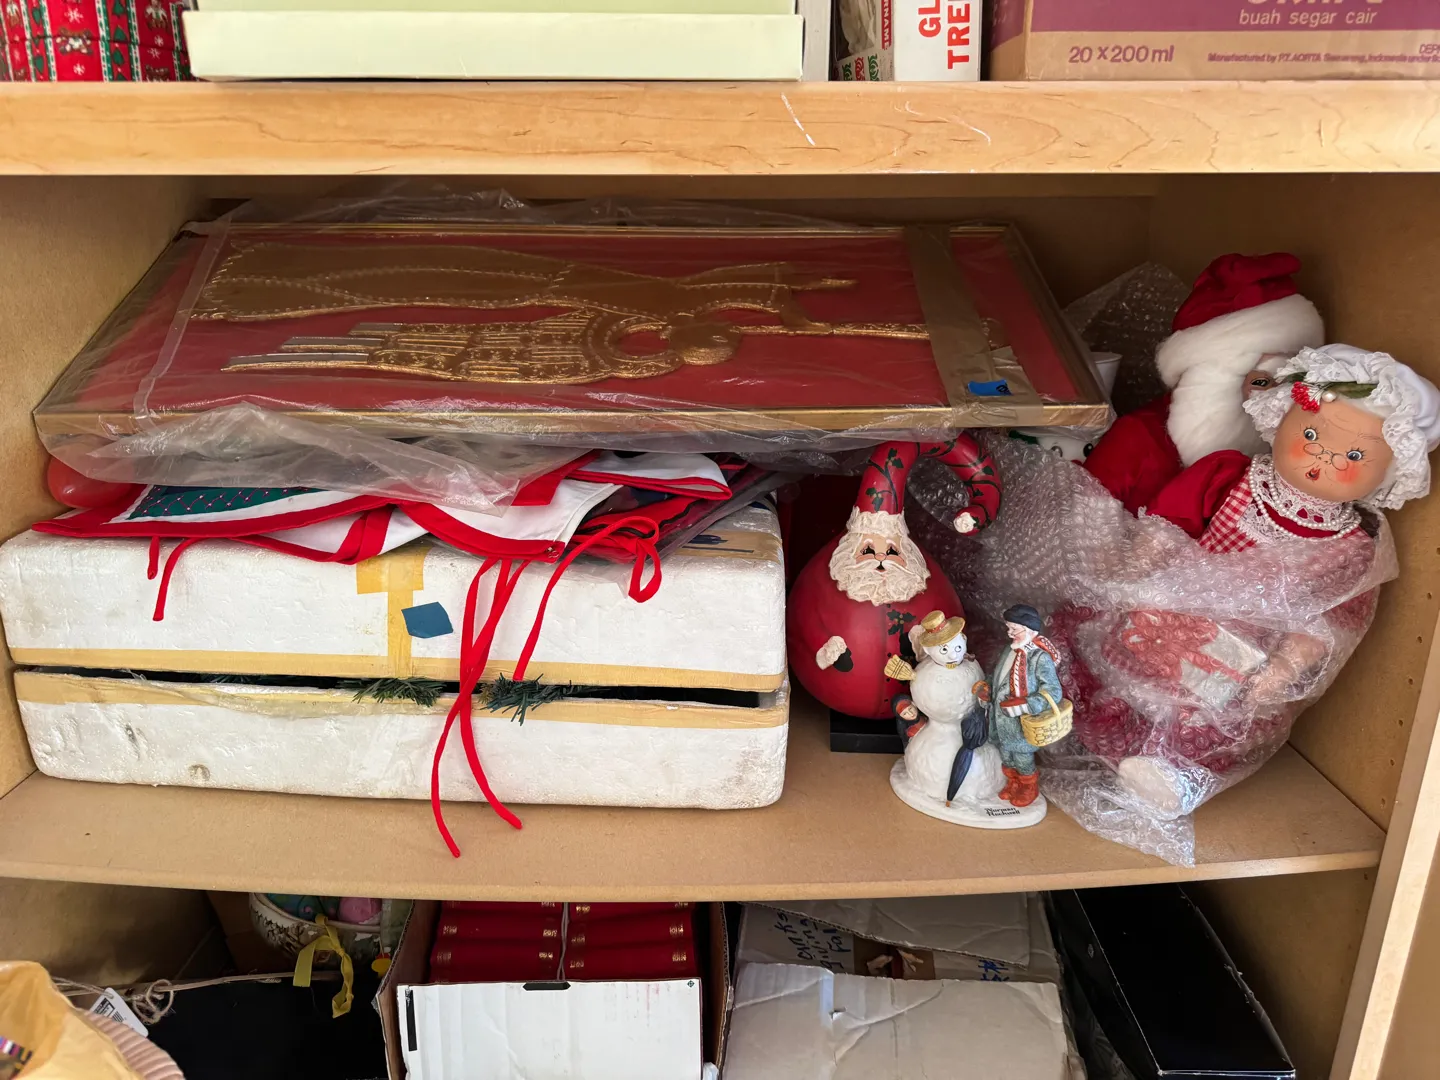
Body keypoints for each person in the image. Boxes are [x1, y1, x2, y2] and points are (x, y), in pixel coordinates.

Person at [1084, 252, 1324, 514]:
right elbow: (1078, 522)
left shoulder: (1310, 457)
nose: (1272, 400)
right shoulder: (1137, 438)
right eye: (1260, 380)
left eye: (1286, 380)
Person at [988, 604, 1063, 808]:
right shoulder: (1009, 650)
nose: (1010, 633)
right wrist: (986, 687)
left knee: (1022, 757)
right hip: (1001, 719)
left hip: (1021, 721)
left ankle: (1028, 786)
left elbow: (1053, 692)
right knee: (1006, 755)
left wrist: (1028, 704)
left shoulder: (1039, 657)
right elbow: (999, 678)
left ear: (1030, 629)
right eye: (1008, 628)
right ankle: (1013, 782)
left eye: (1014, 628)